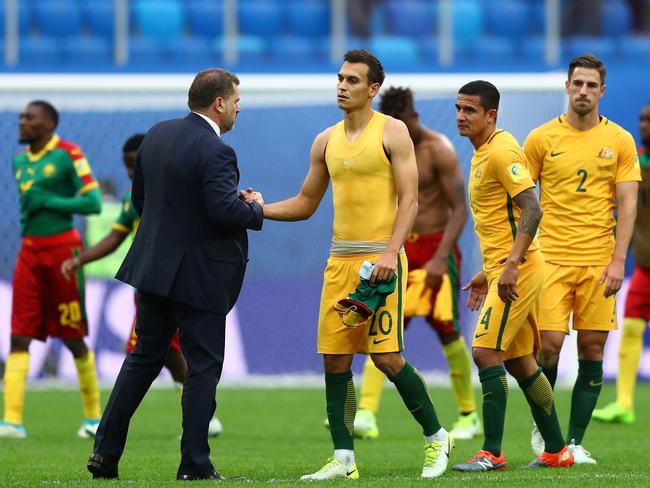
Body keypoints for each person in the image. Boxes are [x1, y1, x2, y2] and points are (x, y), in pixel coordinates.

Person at [258, 49, 453, 480]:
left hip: (381, 263)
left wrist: (389, 253)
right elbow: (306, 202)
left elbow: (411, 199)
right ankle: (344, 459)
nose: (343, 86)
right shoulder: (324, 140)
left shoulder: (393, 132)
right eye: (340, 78)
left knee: (387, 359)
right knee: (335, 361)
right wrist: (259, 210)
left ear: (373, 89)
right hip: (339, 261)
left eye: (352, 80)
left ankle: (437, 436)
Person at [86, 68, 263, 481]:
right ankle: (195, 464)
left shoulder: (157, 135)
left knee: (142, 359)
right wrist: (253, 206)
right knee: (202, 368)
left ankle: (105, 454)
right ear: (219, 103)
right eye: (236, 102)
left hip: (153, 269)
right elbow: (223, 211)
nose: (238, 109)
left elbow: (141, 200)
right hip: (198, 277)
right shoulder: (218, 150)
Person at [60, 134, 222, 438]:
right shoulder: (131, 197)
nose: (132, 172)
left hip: (174, 284)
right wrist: (81, 259)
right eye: (127, 167)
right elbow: (115, 237)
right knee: (168, 354)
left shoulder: (175, 190)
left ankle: (108, 429)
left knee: (143, 351)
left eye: (136, 164)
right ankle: (205, 417)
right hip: (147, 285)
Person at [524, 54, 641, 464]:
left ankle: (573, 441)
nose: (584, 92)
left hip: (598, 262)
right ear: (567, 86)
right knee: (550, 348)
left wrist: (617, 260)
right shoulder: (540, 139)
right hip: (551, 259)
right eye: (578, 84)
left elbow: (628, 205)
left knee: (592, 349)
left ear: (602, 91)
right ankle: (546, 427)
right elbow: (521, 199)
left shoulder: (620, 141)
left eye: (592, 86)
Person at [452, 81, 573, 472]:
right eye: (458, 108)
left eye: (470, 110)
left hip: (518, 270)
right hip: (504, 269)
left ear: (492, 115)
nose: (460, 116)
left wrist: (508, 265)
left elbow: (532, 209)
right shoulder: (481, 153)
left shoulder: (503, 151)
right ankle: (557, 451)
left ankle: (491, 452)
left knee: (485, 352)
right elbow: (501, 221)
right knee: (521, 362)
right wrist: (487, 272)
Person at [351, 86, 480, 441]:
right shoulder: (384, 147)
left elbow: (459, 210)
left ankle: (469, 415)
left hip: (436, 248)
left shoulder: (438, 149)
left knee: (447, 328)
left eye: (402, 121)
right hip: (399, 249)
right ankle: (367, 413)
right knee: (384, 328)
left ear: (414, 116)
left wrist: (441, 258)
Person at [0, 101, 103, 439]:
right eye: (21, 117)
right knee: (18, 336)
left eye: (28, 118)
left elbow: (93, 203)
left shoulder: (69, 154)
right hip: (30, 254)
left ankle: (93, 418)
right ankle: (12, 421)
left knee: (73, 337)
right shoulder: (18, 162)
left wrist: (52, 201)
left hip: (63, 254)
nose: (22, 122)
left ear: (47, 124)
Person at [592, 103, 650, 425]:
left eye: (649, 121)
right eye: (642, 119)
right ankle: (625, 403)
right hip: (645, 266)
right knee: (631, 329)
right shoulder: (636, 161)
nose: (644, 125)